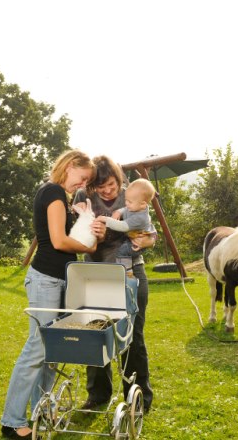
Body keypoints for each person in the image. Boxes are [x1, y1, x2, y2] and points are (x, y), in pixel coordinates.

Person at [0, 150, 101, 439]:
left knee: (51, 350)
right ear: (70, 167)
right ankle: (11, 421)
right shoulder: (54, 192)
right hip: (46, 280)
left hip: (57, 279)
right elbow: (58, 240)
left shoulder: (58, 195)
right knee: (38, 349)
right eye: (81, 178)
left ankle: (41, 410)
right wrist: (89, 248)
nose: (80, 185)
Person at [74, 156, 154, 414]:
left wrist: (146, 242)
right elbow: (73, 230)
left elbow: (150, 232)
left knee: (132, 336)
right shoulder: (82, 196)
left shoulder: (131, 195)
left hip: (129, 274)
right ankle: (98, 395)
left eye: (111, 185)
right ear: (92, 185)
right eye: (101, 187)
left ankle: (137, 397)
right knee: (95, 333)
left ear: (119, 180)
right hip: (95, 273)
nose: (107, 191)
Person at [98, 178, 157, 268]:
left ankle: (127, 273)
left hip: (136, 244)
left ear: (142, 204)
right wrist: (119, 212)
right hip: (131, 238)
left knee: (122, 252)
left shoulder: (140, 217)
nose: (126, 203)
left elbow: (123, 226)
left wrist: (106, 220)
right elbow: (126, 209)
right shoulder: (136, 206)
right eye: (126, 200)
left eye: (129, 202)